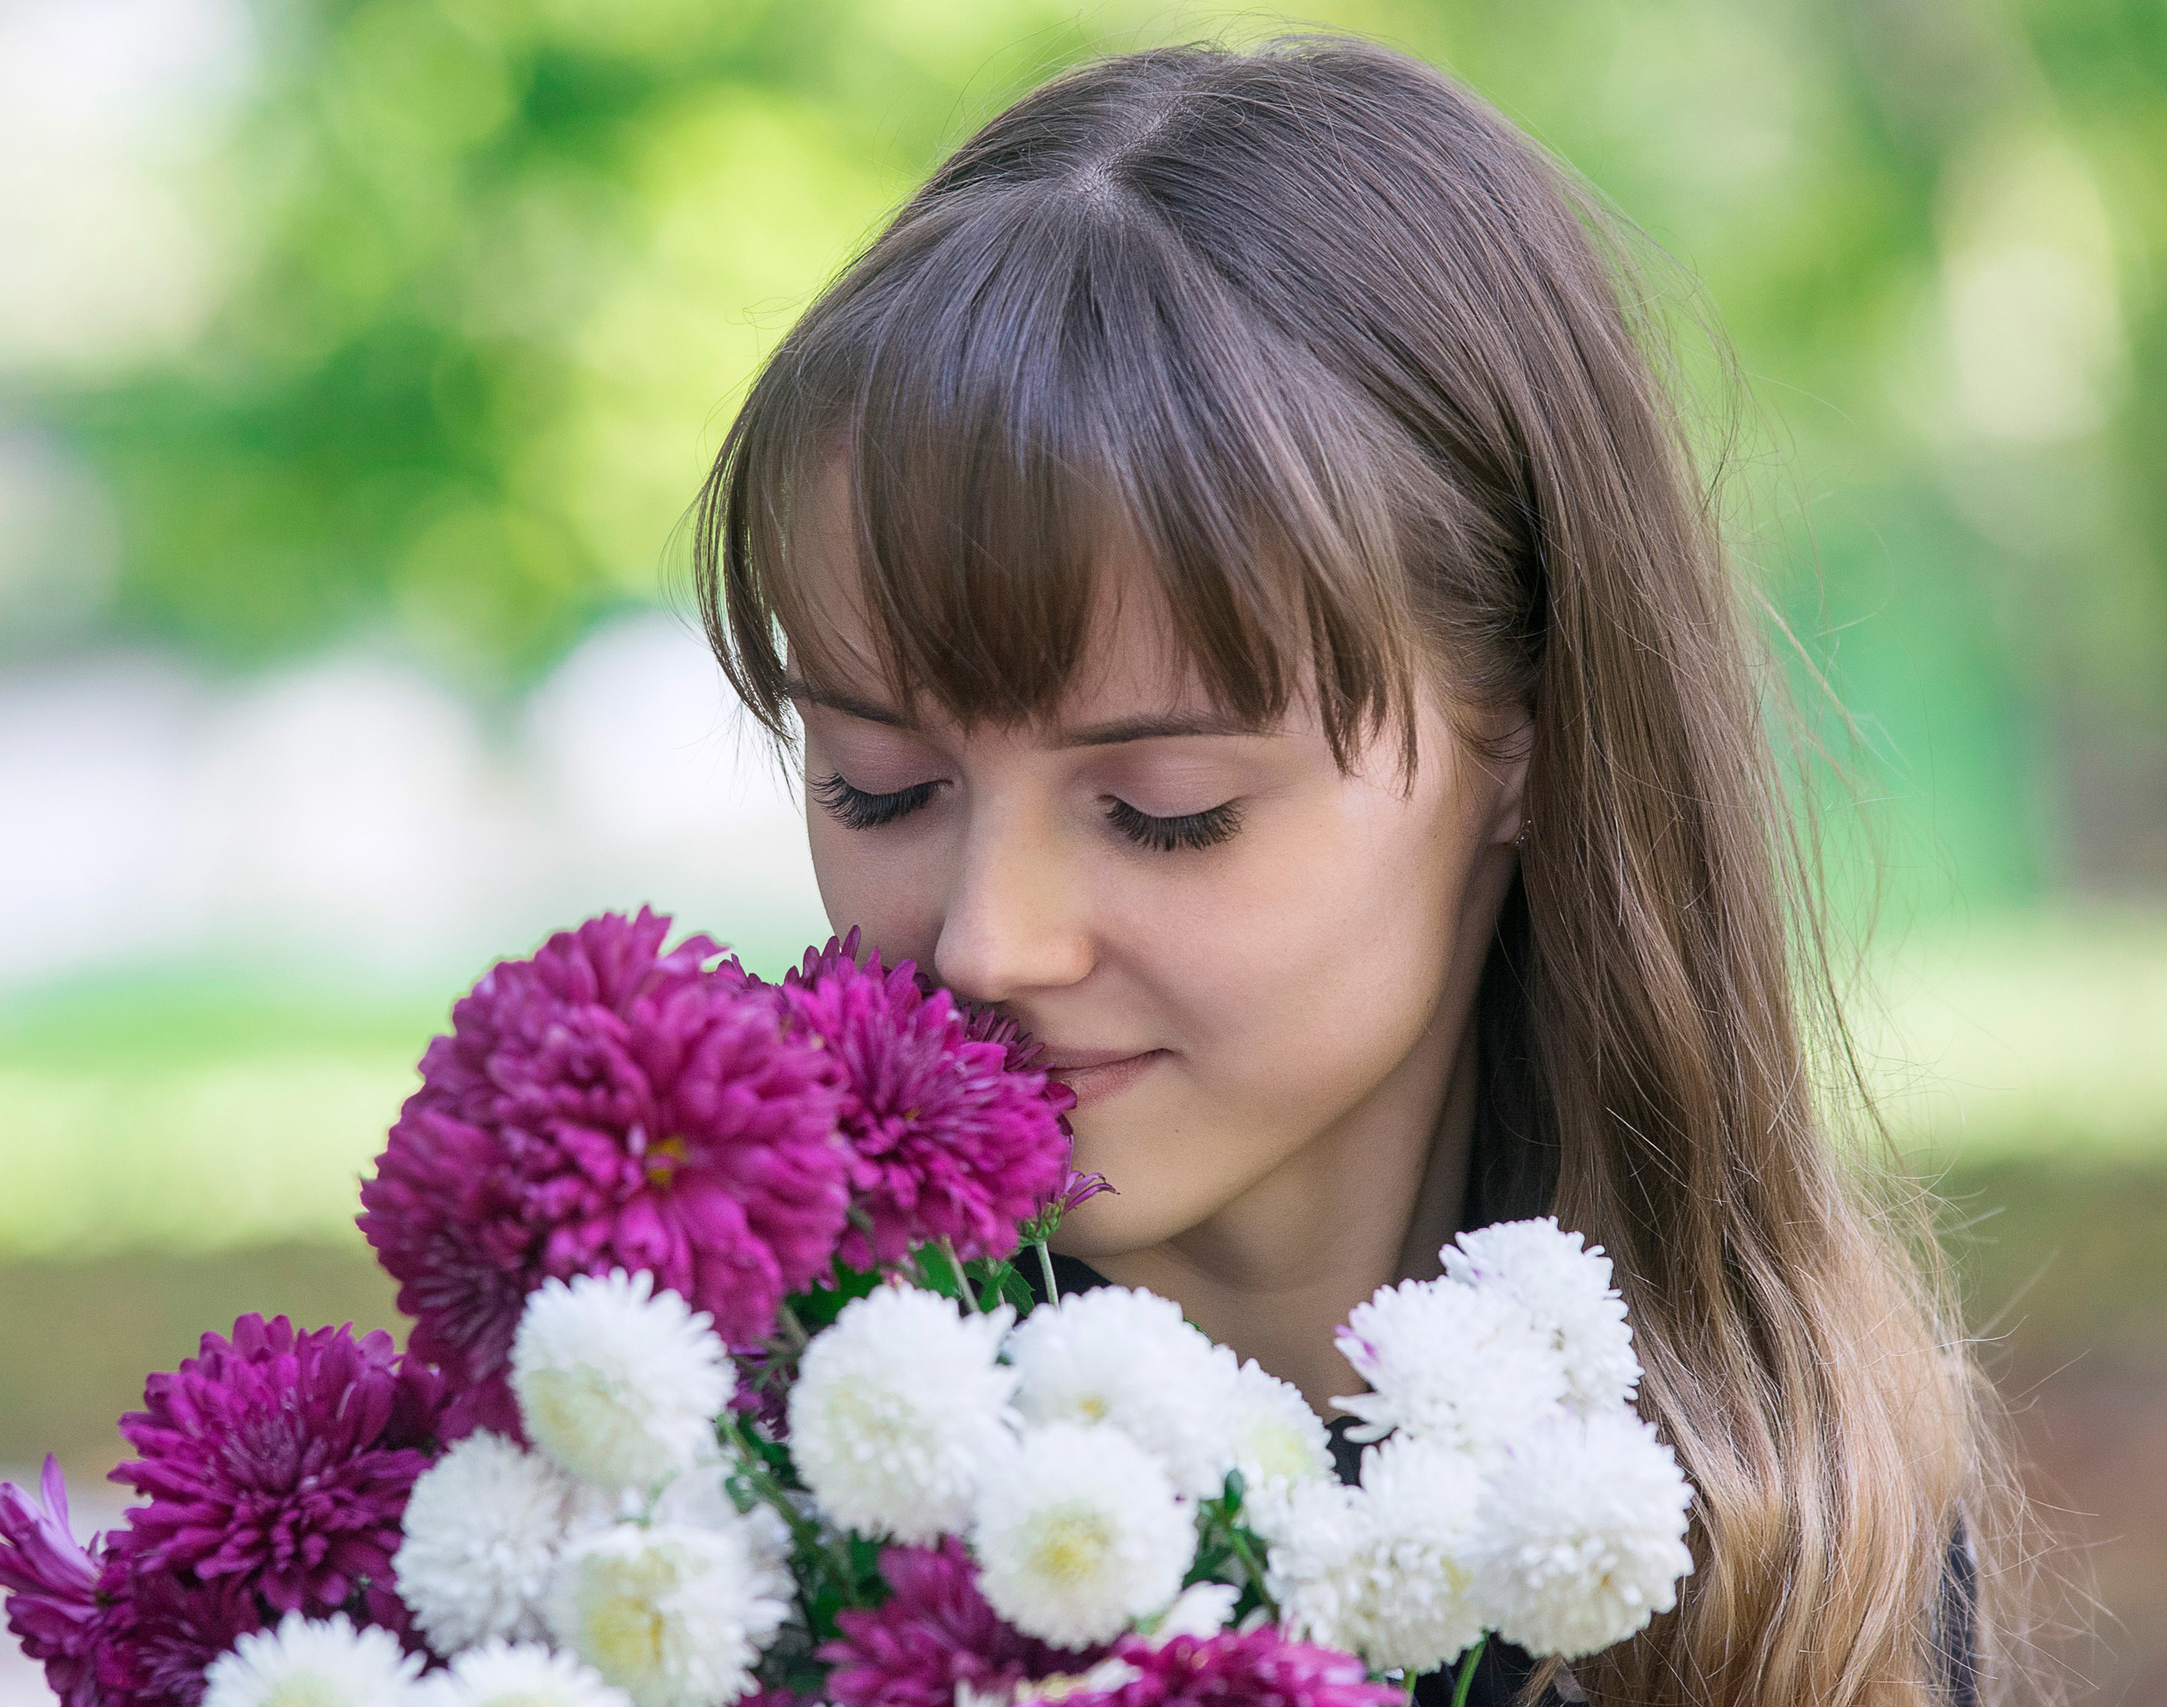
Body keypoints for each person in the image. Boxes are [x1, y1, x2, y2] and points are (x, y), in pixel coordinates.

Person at [690, 35, 2030, 1707]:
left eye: (1165, 807)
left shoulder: (1781, 1532)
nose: (984, 943)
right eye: (880, 787)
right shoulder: (701, 1489)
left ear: (1527, 734)